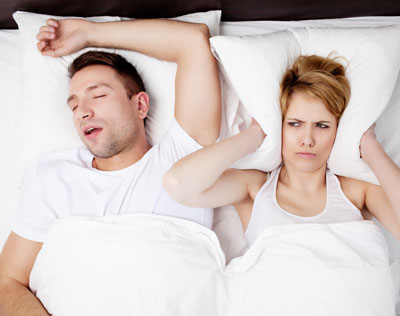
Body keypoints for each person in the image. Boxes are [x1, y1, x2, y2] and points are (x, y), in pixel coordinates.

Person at [0, 18, 221, 315]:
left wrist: (90, 34)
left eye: (98, 95)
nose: (83, 112)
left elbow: (193, 40)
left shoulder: (183, 158)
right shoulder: (53, 176)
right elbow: (6, 283)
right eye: (74, 105)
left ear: (140, 105)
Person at [164, 54, 400, 246]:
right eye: (294, 124)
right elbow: (178, 184)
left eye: (322, 126)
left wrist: (370, 146)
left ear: (338, 131)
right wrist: (255, 135)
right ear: (280, 125)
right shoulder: (255, 188)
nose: (307, 139)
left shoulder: (357, 192)